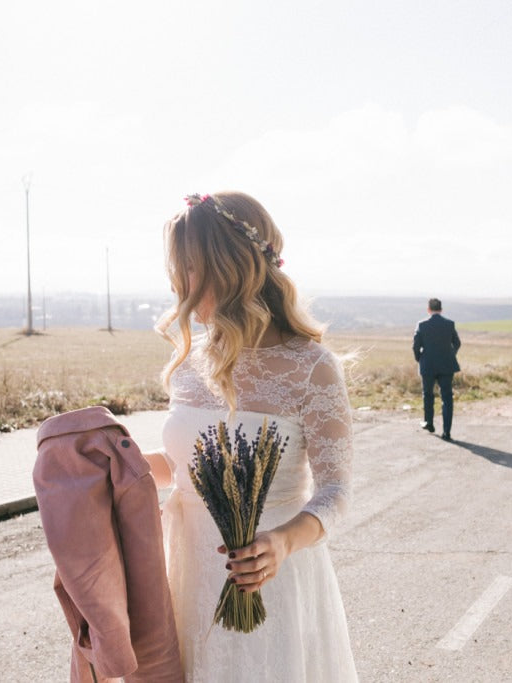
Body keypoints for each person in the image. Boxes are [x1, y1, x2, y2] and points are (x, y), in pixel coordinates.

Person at [143, 191, 358, 682]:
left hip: (270, 587)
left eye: (189, 268)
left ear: (228, 268)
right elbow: (182, 469)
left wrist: (282, 543)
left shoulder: (312, 368)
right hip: (186, 578)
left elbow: (335, 492)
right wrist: (112, 461)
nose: (179, 283)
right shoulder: (190, 362)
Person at [412, 298, 461, 440]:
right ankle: (447, 432)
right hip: (447, 365)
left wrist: (420, 358)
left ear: (428, 309)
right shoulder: (449, 324)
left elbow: (415, 346)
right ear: (441, 309)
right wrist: (450, 354)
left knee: (428, 395)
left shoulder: (422, 325)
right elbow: (457, 343)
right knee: (447, 398)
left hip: (428, 365)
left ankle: (429, 423)